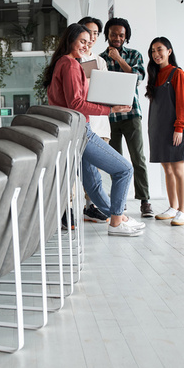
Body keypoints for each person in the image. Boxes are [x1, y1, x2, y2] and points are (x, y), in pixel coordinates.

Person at [44, 23, 145, 237]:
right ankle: (117, 221)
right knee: (124, 170)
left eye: (88, 41)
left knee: (92, 182)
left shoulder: (62, 63)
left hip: (70, 131)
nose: (86, 44)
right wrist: (111, 108)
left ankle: (117, 216)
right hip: (80, 129)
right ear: (70, 40)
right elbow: (76, 103)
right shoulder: (71, 65)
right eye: (81, 40)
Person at [100, 17, 154, 218]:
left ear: (126, 37)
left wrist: (119, 60)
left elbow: (137, 79)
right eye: (113, 34)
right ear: (108, 35)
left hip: (131, 114)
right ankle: (119, 203)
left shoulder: (134, 55)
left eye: (121, 35)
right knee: (115, 162)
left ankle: (144, 200)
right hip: (110, 117)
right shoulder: (99, 59)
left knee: (138, 158)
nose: (117, 38)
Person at [146, 36, 184, 226]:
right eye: (153, 51)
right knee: (167, 170)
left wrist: (179, 127)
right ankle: (172, 207)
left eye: (160, 49)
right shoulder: (155, 75)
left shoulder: (177, 74)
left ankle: (183, 211)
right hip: (157, 129)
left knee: (178, 170)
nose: (156, 54)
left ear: (169, 52)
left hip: (174, 129)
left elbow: (183, 103)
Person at [77, 16, 111, 224]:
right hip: (82, 123)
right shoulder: (71, 60)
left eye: (96, 33)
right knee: (82, 170)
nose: (92, 37)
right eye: (89, 32)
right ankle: (75, 207)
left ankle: (92, 207)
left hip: (99, 123)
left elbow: (104, 91)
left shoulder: (100, 61)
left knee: (95, 172)